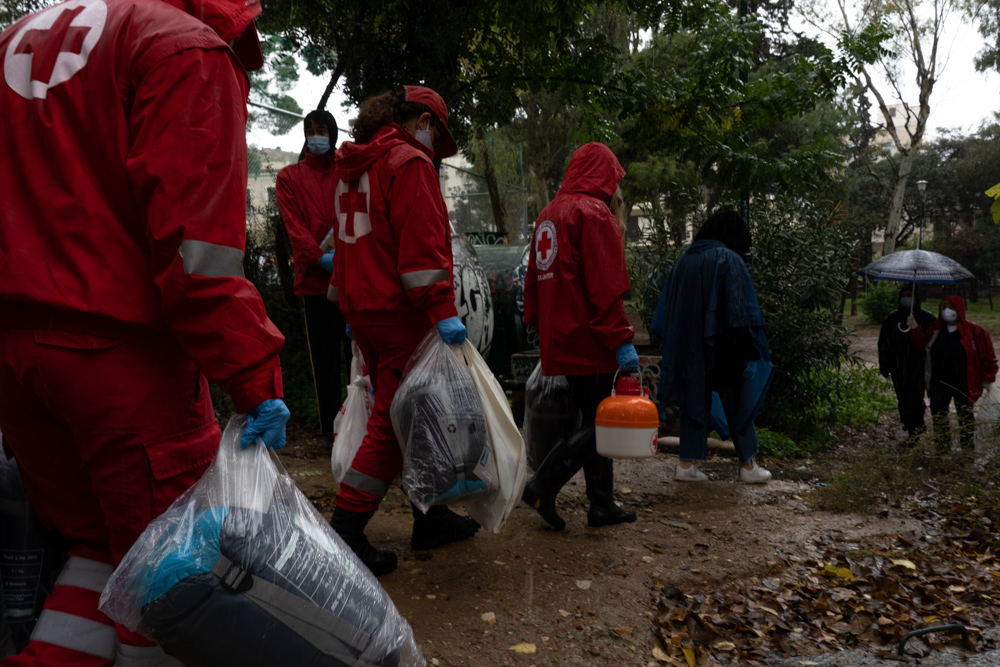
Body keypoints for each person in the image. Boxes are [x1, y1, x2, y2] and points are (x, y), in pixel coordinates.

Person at [0, 0, 288, 665]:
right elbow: (199, 261)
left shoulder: (19, 38)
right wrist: (254, 377)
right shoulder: (184, 50)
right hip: (118, 362)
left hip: (16, 360)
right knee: (171, 580)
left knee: (103, 548)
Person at [326, 86, 478, 576]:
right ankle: (346, 530)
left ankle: (429, 517)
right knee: (392, 427)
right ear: (422, 121)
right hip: (400, 313)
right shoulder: (407, 163)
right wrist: (442, 310)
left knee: (414, 417)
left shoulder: (353, 167)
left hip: (364, 309)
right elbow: (421, 248)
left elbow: (351, 247)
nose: (434, 143)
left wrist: (348, 306)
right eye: (435, 130)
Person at [520, 142, 639, 531]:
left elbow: (533, 281)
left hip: (561, 336)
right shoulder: (594, 213)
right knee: (602, 423)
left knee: (593, 417)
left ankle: (602, 505)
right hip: (590, 339)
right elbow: (604, 289)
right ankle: (543, 484)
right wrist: (622, 341)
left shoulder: (548, 214)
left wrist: (538, 323)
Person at [658, 210, 772, 483]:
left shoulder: (684, 259)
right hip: (723, 347)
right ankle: (747, 466)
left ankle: (686, 466)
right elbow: (739, 309)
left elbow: (666, 310)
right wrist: (749, 349)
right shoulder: (729, 259)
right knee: (737, 404)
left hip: (687, 347)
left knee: (693, 402)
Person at [277, 110, 345, 451]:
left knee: (358, 360)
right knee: (325, 360)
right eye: (310, 130)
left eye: (322, 130)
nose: (316, 136)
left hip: (350, 281)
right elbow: (294, 226)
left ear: (332, 133)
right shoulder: (289, 177)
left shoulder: (346, 171)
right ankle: (332, 432)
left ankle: (365, 429)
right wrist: (319, 258)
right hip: (316, 284)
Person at [909, 295, 998, 452]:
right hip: (939, 381)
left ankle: (967, 450)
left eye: (951, 307)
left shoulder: (974, 331)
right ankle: (942, 449)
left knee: (965, 415)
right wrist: (915, 328)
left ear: (959, 310)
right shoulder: (936, 330)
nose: (947, 311)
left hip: (963, 381)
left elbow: (988, 356)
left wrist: (988, 378)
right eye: (943, 308)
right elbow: (919, 345)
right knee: (939, 414)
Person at [878, 286, 935, 440]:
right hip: (898, 366)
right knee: (902, 398)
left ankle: (916, 428)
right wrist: (884, 364)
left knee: (916, 398)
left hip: (918, 366)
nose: (906, 298)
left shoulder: (927, 318)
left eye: (910, 295)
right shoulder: (892, 318)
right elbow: (883, 342)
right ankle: (909, 425)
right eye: (903, 295)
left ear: (916, 298)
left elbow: (932, 342)